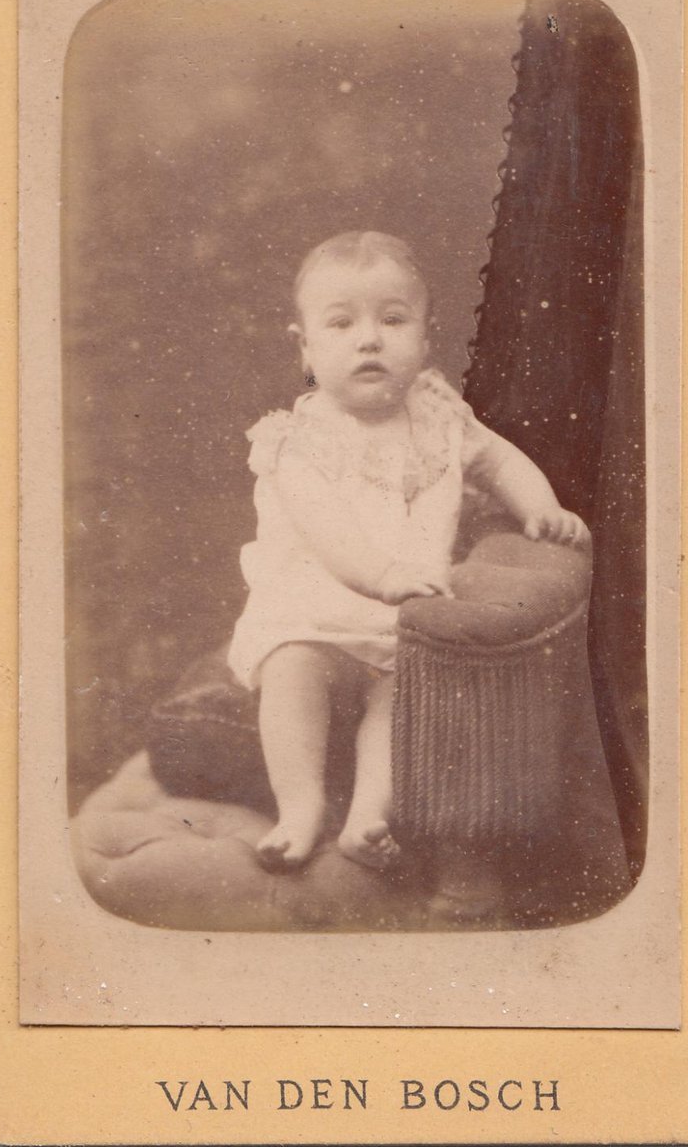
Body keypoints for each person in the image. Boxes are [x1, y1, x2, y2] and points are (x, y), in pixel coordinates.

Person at [228, 232, 588, 871]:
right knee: (291, 674)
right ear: (306, 347)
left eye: (393, 320)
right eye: (342, 323)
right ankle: (300, 806)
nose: (369, 339)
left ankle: (368, 817)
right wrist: (383, 574)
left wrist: (541, 506)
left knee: (404, 702)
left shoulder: (440, 418)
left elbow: (500, 460)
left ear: (425, 338)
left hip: (402, 626)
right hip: (312, 617)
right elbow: (326, 528)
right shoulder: (297, 440)